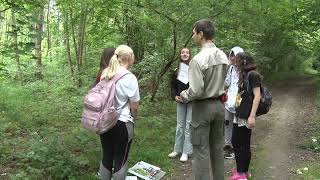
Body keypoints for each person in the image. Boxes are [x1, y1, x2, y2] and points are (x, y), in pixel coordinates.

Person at [180, 19, 229, 180]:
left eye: (194, 33)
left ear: (201, 34)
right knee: (217, 148)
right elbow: (227, 82)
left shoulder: (198, 59)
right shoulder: (223, 55)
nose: (193, 36)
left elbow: (196, 90)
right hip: (220, 106)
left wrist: (184, 96)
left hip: (202, 109)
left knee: (200, 150)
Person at [98, 45, 140, 180]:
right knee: (120, 160)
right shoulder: (130, 77)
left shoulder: (105, 74)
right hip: (122, 122)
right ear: (130, 58)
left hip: (105, 121)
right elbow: (135, 106)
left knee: (106, 156)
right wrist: (134, 116)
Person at [230, 52, 262, 180]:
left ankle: (242, 174)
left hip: (246, 115)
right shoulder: (244, 74)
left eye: (237, 61)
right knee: (237, 142)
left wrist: (252, 116)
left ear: (243, 61)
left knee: (241, 143)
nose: (235, 63)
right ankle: (242, 171)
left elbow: (257, 96)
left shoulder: (253, 75)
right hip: (239, 113)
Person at [168, 47, 193, 162]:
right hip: (180, 101)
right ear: (180, 55)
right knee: (180, 126)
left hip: (192, 101)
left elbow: (197, 85)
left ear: (190, 55)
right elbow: (173, 86)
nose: (185, 54)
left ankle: (186, 151)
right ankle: (177, 149)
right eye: (183, 52)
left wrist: (191, 97)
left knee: (188, 126)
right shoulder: (176, 70)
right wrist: (175, 96)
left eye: (187, 52)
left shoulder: (193, 68)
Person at [224, 46, 244, 159]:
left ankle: (237, 148)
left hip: (238, 103)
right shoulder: (231, 68)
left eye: (234, 55)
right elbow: (226, 83)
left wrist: (239, 102)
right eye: (231, 55)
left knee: (237, 126)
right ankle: (228, 146)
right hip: (228, 102)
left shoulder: (245, 71)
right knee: (227, 123)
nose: (232, 57)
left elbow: (244, 88)